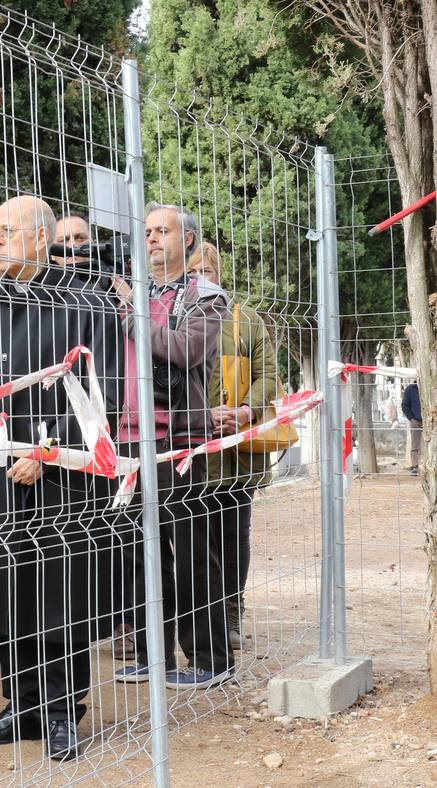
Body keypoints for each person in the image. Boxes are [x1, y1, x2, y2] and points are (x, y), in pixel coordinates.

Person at [0, 196, 122, 760]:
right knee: (2, 592)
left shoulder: (83, 305)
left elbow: (102, 395)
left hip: (59, 481)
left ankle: (61, 708)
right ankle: (18, 703)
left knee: (56, 595)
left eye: (8, 232)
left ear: (43, 239)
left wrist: (50, 452)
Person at [111, 203, 232, 689]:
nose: (153, 238)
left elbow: (184, 350)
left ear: (187, 240)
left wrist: (131, 314)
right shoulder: (131, 293)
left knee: (192, 552)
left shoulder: (206, 295)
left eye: (163, 231)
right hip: (125, 439)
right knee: (140, 552)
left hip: (178, 440)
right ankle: (151, 654)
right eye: (147, 231)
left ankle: (209, 659)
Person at [188, 241, 279, 649]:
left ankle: (229, 613)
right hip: (187, 445)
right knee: (190, 540)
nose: (202, 279)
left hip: (235, 453)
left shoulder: (246, 320)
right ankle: (191, 622)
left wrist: (244, 411)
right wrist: (200, 415)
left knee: (232, 535)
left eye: (208, 271)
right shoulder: (174, 318)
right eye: (193, 272)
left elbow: (268, 375)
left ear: (219, 274)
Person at [403, 381, 422, 475]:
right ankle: (415, 466)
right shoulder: (410, 389)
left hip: (432, 420)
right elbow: (404, 405)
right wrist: (411, 418)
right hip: (416, 420)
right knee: (415, 444)